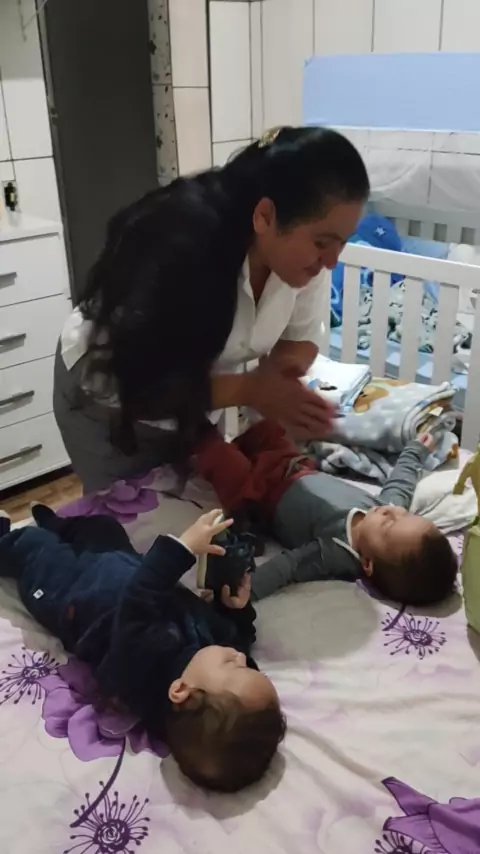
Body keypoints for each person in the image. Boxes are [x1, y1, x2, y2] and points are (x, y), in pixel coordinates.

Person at [54, 126, 370, 492]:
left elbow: (300, 337)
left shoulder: (304, 261)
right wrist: (254, 389)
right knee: (129, 517)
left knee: (199, 509)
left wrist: (281, 383)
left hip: (192, 401)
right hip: (110, 396)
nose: (331, 261)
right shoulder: (182, 250)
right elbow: (146, 385)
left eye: (341, 244)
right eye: (323, 243)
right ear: (265, 216)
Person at [0, 508, 285, 792]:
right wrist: (235, 609)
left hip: (70, 594)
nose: (239, 656)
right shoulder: (207, 668)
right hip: (119, 567)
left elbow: (139, 598)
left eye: (233, 666)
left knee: (33, 548)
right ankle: (58, 526)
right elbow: (240, 638)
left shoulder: (142, 668)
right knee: (103, 526)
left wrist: (182, 549)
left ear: (181, 691)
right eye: (250, 667)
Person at [194, 421, 458, 607]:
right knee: (270, 429)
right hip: (292, 466)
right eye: (405, 515)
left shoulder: (336, 553)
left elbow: (289, 567)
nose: (392, 511)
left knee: (224, 461)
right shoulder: (386, 509)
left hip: (260, 494)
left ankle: (195, 431)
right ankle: (236, 443)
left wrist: (246, 592)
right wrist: (415, 450)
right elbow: (401, 484)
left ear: (367, 563)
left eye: (388, 526)